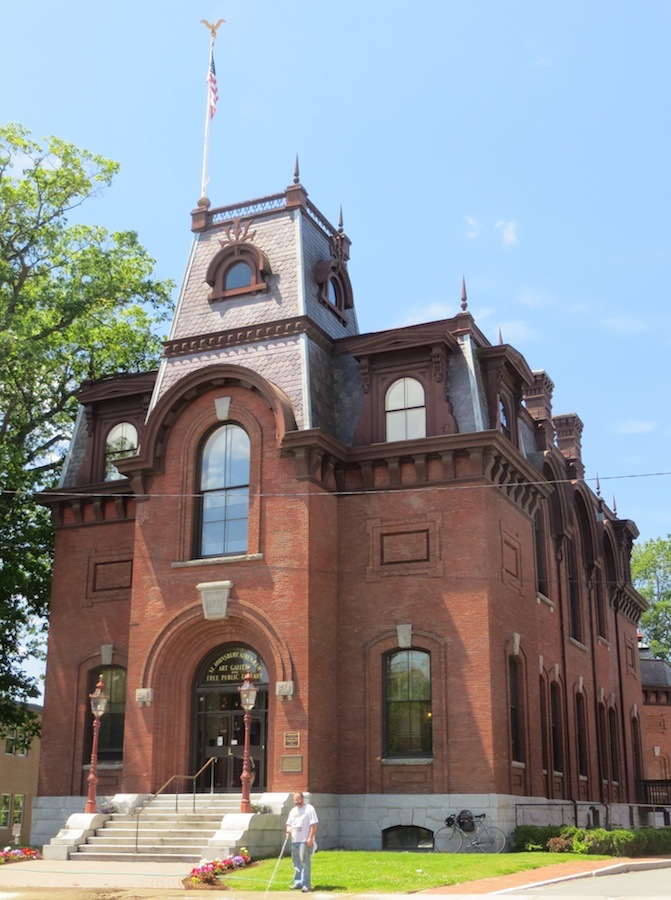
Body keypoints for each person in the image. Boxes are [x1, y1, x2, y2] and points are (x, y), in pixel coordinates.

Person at [285, 791, 318, 892]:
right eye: (294, 800)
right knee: (296, 862)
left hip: (304, 840)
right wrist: (288, 831)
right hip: (295, 840)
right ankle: (297, 882)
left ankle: (306, 884)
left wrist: (310, 838)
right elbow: (288, 824)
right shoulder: (293, 811)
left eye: (297, 799)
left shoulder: (309, 809)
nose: (296, 801)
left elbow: (314, 824)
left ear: (302, 799)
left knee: (305, 862)